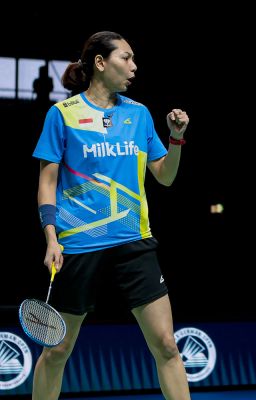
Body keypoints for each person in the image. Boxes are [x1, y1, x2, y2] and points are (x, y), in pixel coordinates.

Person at [32, 31, 191, 400]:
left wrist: (175, 139)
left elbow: (165, 176)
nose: (134, 66)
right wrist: (51, 238)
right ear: (100, 63)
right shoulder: (63, 114)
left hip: (134, 241)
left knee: (167, 345)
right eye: (126, 58)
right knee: (56, 351)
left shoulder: (138, 114)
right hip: (79, 243)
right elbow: (47, 182)